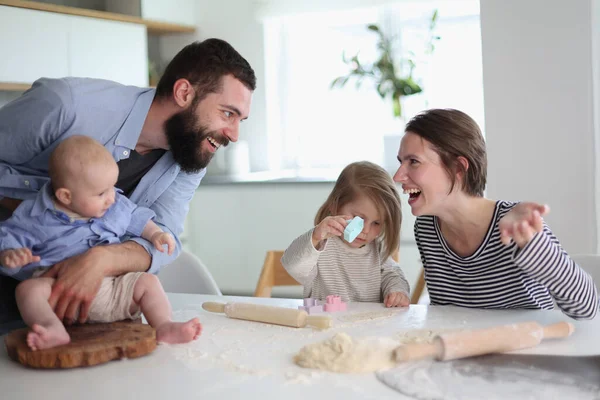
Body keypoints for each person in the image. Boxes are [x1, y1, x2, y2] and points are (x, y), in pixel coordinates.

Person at [0, 38, 256, 329]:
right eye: (228, 113)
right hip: (19, 277)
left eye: (240, 120)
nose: (234, 135)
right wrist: (38, 217)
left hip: (95, 301)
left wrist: (101, 260)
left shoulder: (191, 154)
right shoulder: (65, 105)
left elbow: (166, 237)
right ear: (184, 92)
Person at [394, 108, 598, 319]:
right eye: (401, 162)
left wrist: (534, 246)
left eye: (413, 162)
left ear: (458, 167)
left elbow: (588, 308)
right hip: (464, 349)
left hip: (531, 348)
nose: (398, 176)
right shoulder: (427, 228)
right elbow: (446, 316)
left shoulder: (518, 225)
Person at [0, 136, 202, 349]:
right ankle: (52, 328)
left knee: (148, 283)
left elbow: (137, 217)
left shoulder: (113, 205)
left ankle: (164, 326)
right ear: (66, 196)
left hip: (113, 290)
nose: (111, 198)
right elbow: (8, 237)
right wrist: (11, 254)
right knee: (27, 290)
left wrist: (155, 234)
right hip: (60, 295)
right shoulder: (34, 216)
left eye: (112, 188)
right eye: (101, 193)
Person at [282, 161, 410, 307]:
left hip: (369, 326)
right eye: (359, 218)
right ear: (335, 206)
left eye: (376, 223)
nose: (366, 230)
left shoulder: (377, 249)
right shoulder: (320, 247)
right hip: (325, 324)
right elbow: (292, 264)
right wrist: (315, 236)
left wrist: (397, 292)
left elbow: (393, 275)